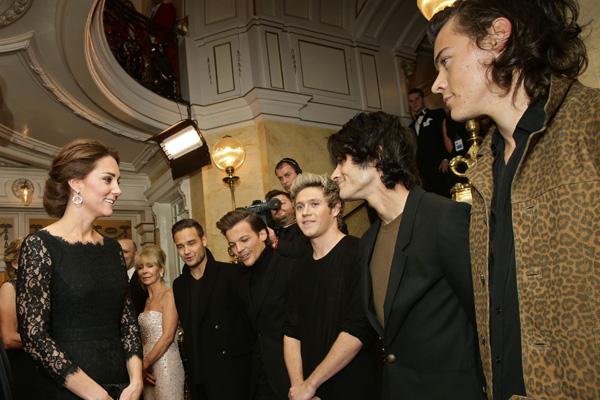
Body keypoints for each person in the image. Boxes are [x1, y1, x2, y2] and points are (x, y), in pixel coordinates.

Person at [428, 1, 599, 398]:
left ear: (496, 38)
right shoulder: (482, 169)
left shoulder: (591, 124)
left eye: (446, 61)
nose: (437, 83)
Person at [328, 111, 483, 399]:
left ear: (377, 155)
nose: (334, 174)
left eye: (342, 160)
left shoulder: (444, 218)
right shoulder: (367, 241)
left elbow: (484, 316)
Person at [16, 139, 143, 400]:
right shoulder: (40, 246)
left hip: (124, 388)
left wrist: (137, 381)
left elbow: (127, 322)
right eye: (108, 179)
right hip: (68, 391)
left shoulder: (112, 249)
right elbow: (34, 337)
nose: (117, 190)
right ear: (76, 182)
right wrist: (94, 394)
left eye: (118, 181)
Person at [284, 173, 377, 400]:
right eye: (299, 207)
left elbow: (357, 330)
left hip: (355, 384)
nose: (305, 213)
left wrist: (311, 384)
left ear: (335, 208)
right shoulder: (298, 267)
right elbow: (291, 332)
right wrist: (299, 387)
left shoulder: (359, 253)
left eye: (314, 204)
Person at [171, 219, 252, 400]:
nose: (187, 251)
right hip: (198, 378)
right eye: (180, 246)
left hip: (232, 376)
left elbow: (250, 326)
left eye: (192, 243)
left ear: (204, 241)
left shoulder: (231, 274)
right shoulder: (179, 285)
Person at [217, 210, 292, 400]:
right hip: (258, 378)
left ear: (262, 234)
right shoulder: (239, 277)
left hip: (292, 376)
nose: (238, 249)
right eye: (232, 245)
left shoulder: (288, 266)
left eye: (244, 240)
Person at [136, 244, 184, 400]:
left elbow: (168, 336)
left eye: (150, 266)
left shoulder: (169, 294)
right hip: (147, 368)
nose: (144, 271)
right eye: (140, 267)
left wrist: (144, 365)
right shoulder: (145, 301)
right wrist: (142, 367)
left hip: (166, 364)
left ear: (161, 269)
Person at [0, 239, 40, 399]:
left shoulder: (43, 289)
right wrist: (48, 343)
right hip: (22, 364)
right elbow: (9, 338)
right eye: (32, 256)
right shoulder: (9, 288)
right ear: (16, 263)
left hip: (45, 364)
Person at [408, 87, 452, 196]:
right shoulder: (410, 127)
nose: (414, 103)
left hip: (440, 166)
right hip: (422, 173)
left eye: (417, 99)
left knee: (445, 197)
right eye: (411, 101)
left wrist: (446, 158)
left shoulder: (437, 114)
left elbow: (446, 135)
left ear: (423, 99)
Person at [264, 190, 310, 259]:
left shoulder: (305, 225)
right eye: (273, 205)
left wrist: (275, 242)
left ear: (293, 204)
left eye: (282, 203)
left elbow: (299, 251)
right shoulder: (271, 233)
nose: (277, 207)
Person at [118, 238, 148, 315]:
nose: (120, 255)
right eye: (117, 252)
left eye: (125, 252)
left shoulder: (145, 278)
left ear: (135, 255)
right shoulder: (111, 279)